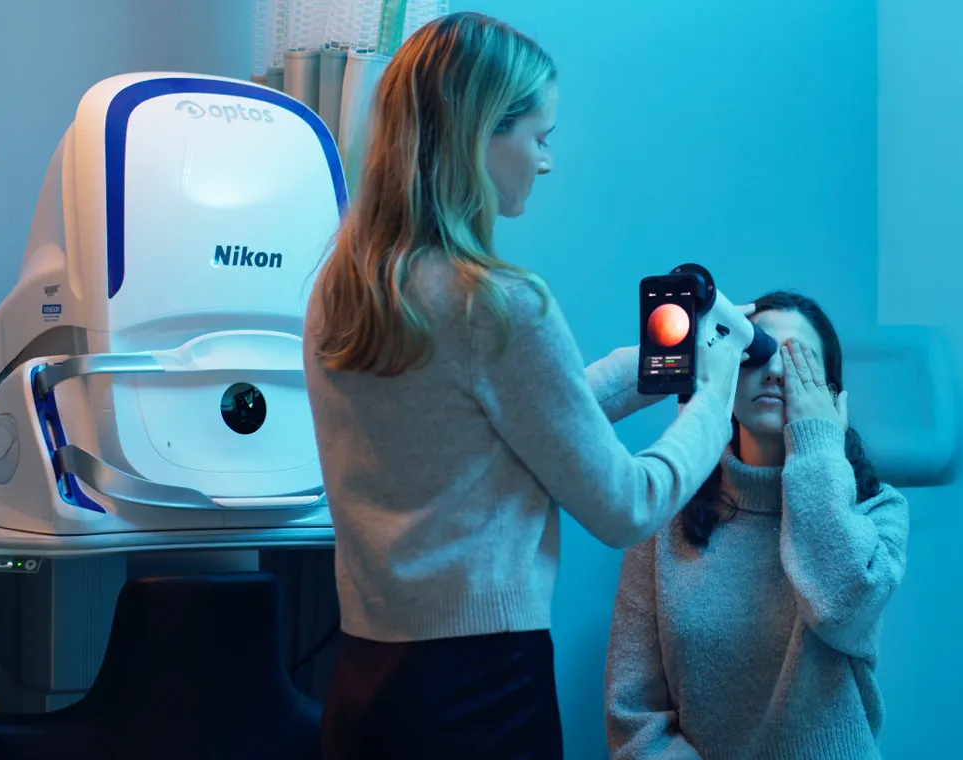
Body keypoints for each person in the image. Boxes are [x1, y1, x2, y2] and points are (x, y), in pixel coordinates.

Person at [302, 11, 753, 760]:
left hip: (366, 681)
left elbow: (501, 419)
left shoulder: (345, 290)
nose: (545, 163)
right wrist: (714, 391)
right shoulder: (498, 302)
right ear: (483, 133)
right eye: (539, 138)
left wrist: (659, 361)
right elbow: (627, 504)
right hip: (480, 690)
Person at [604, 291, 910, 760]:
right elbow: (633, 714)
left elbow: (838, 606)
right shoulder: (665, 518)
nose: (774, 371)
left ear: (832, 397)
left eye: (800, 362)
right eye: (756, 353)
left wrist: (816, 444)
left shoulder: (878, 513)